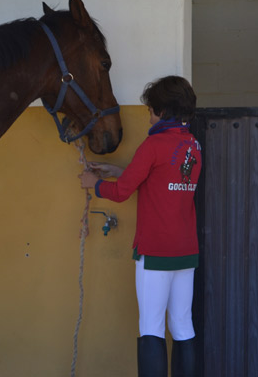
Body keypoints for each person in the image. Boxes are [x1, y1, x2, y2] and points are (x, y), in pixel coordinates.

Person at [80, 75, 201, 377]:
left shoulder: (154, 144)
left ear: (163, 110)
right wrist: (115, 170)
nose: (148, 116)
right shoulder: (193, 145)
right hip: (185, 251)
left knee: (151, 327)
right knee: (183, 326)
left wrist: (94, 185)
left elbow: (122, 192)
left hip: (156, 252)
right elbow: (157, 179)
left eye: (151, 110)